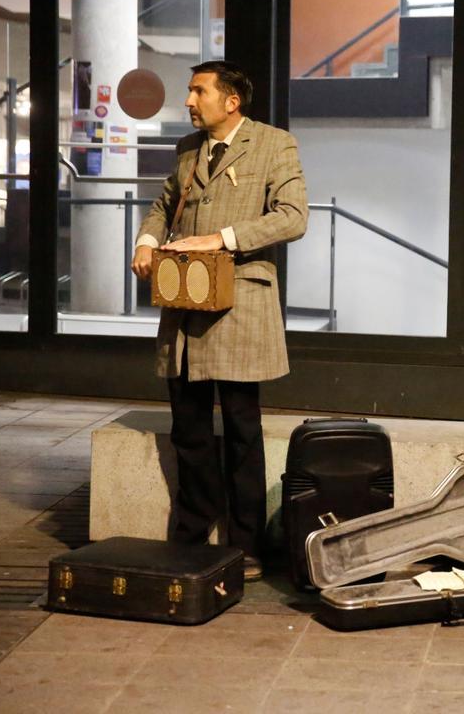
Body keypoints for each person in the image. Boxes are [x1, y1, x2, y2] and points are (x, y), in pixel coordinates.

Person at [130, 61, 308, 582]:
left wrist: (220, 238)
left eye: (198, 91)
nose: (189, 100)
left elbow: (293, 216)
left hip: (239, 308)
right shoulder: (187, 149)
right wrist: (145, 241)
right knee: (187, 428)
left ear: (231, 101)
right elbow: (164, 205)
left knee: (240, 428)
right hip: (185, 307)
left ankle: (246, 543)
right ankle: (192, 532)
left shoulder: (274, 144)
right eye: (190, 91)